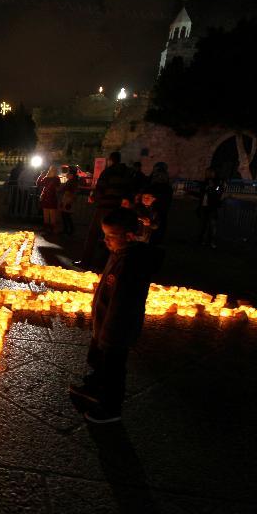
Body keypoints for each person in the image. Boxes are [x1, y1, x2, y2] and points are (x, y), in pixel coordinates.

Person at [69, 208, 158, 423]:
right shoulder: (119, 253)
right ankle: (95, 388)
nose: (106, 240)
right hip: (105, 323)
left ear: (128, 236)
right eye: (104, 234)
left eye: (110, 236)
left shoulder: (132, 263)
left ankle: (111, 408)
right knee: (99, 361)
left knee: (113, 369)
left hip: (118, 328)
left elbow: (123, 304)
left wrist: (108, 332)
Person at [80, 151, 136, 268]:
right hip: (119, 210)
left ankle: (86, 261)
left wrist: (93, 197)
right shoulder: (127, 173)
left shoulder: (108, 172)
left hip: (104, 207)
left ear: (110, 160)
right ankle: (108, 263)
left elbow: (100, 189)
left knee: (93, 234)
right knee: (115, 237)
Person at [195, 169, 224, 248]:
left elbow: (218, 192)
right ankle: (201, 240)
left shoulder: (218, 183)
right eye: (206, 173)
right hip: (204, 206)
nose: (206, 174)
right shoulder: (206, 183)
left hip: (212, 207)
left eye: (208, 173)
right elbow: (201, 194)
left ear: (213, 173)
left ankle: (211, 242)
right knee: (203, 225)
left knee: (212, 225)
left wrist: (212, 188)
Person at [147, 162, 173, 244]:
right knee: (159, 223)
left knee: (156, 224)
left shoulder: (156, 186)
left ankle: (155, 239)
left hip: (157, 208)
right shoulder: (167, 187)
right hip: (161, 208)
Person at [36, 165, 61, 235]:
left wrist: (41, 176)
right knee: (48, 214)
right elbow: (38, 184)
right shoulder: (51, 178)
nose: (51, 171)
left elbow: (38, 184)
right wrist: (41, 176)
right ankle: (49, 228)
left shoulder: (52, 178)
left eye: (52, 169)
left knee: (50, 214)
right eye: (51, 169)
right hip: (49, 197)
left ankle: (50, 229)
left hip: (49, 197)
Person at [59, 166, 79, 236]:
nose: (67, 174)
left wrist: (70, 200)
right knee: (65, 215)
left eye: (68, 173)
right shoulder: (72, 181)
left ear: (72, 174)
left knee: (66, 215)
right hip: (67, 198)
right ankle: (67, 230)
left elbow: (73, 191)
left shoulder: (72, 182)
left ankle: (69, 230)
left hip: (69, 199)